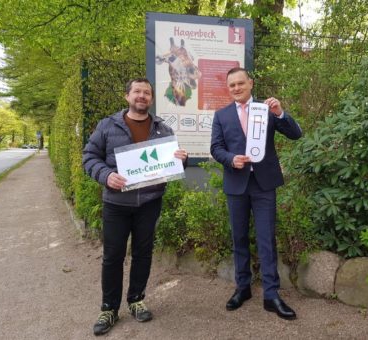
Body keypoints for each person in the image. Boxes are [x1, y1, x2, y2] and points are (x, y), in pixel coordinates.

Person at [83, 78, 188, 336]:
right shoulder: (108, 125)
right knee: (113, 256)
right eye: (137, 92)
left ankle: (136, 300)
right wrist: (106, 175)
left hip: (150, 202)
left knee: (143, 253)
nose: (142, 96)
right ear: (127, 96)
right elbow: (89, 157)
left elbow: (170, 168)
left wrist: (180, 161)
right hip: (116, 204)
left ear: (151, 99)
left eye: (147, 93)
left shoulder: (163, 129)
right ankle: (109, 308)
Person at [210, 67, 302, 320]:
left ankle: (271, 295)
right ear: (228, 88)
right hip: (236, 184)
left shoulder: (267, 109)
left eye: (241, 83)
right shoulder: (221, 115)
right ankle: (243, 288)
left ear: (250, 83)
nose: (237, 88)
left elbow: (296, 134)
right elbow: (216, 148)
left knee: (266, 239)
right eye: (232, 86)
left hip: (263, 184)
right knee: (239, 237)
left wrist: (281, 113)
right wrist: (231, 159)